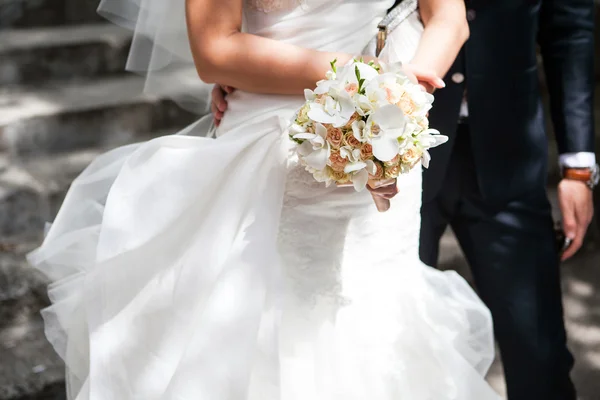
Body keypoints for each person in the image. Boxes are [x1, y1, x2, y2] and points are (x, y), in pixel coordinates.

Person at [28, 0, 502, 398]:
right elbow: (214, 50)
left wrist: (404, 93)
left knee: (376, 315)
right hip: (275, 144)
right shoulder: (370, 80)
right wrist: (365, 80)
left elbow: (448, 18)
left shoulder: (391, 92)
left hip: (384, 136)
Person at [418, 1, 597, 400]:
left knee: (539, 356)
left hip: (509, 153)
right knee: (390, 340)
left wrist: (578, 166)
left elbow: (569, 31)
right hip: (401, 155)